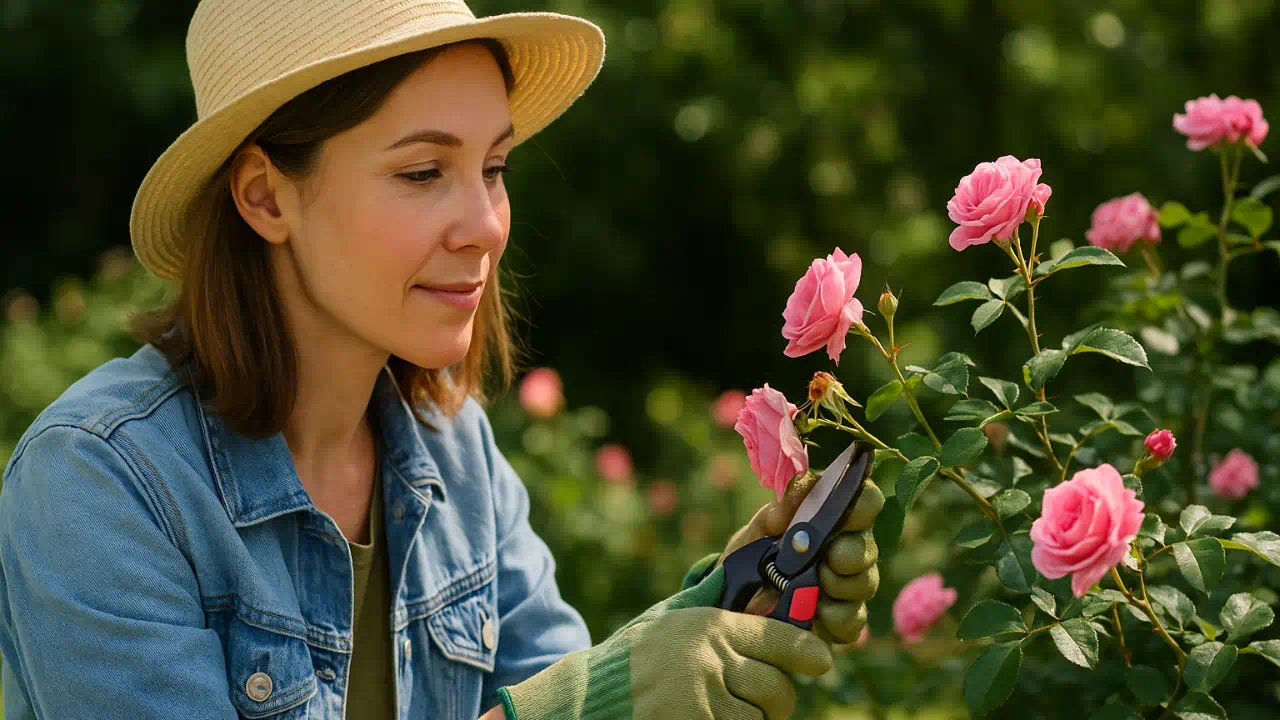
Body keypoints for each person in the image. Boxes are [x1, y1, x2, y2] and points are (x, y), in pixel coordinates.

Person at [0, 1, 883, 718]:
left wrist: (715, 608)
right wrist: (597, 703)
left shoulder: (454, 450)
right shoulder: (97, 487)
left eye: (494, 167)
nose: (487, 225)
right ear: (265, 197)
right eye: (423, 172)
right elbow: (570, 707)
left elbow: (558, 686)